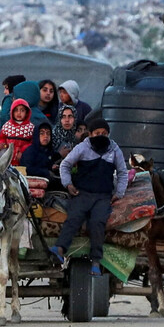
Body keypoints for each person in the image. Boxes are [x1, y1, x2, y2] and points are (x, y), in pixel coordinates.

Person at [50, 118, 129, 276]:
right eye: (97, 133)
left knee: (98, 222)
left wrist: (119, 193)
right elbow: (65, 165)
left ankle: (96, 261)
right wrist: (68, 185)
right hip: (82, 193)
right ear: (90, 134)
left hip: (103, 196)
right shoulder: (82, 147)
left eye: (104, 134)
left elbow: (122, 173)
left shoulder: (114, 149)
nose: (101, 136)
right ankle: (60, 249)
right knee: (74, 217)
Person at [0, 99, 34, 166]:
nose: (19, 113)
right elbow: (1, 137)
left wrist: (23, 151)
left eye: (22, 110)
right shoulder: (7, 125)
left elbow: (32, 142)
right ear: (12, 112)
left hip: (22, 157)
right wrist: (2, 143)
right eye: (16, 110)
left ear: (27, 113)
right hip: (8, 156)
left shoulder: (30, 127)